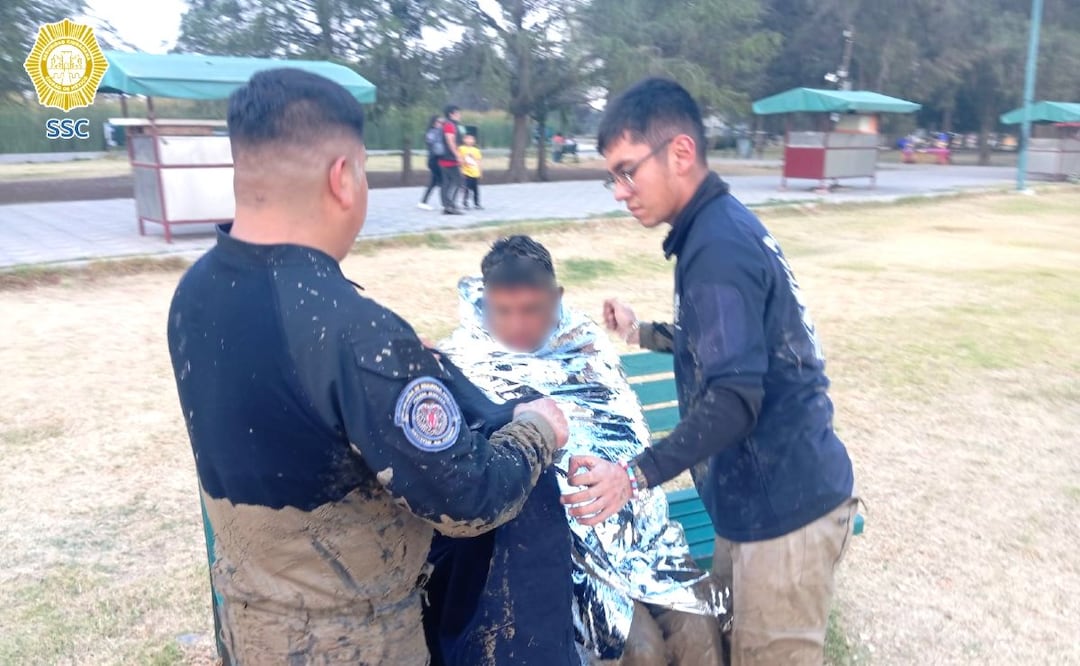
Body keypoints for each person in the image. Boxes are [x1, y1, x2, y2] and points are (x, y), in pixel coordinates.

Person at [166, 68, 569, 665]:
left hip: (247, 628)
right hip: (354, 642)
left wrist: (395, 375)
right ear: (343, 177)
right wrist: (537, 430)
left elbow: (290, 417)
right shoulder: (357, 333)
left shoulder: (195, 293)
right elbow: (468, 498)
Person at [563, 77, 857, 666]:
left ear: (680, 152)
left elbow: (734, 398)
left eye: (627, 172)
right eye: (611, 177)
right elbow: (733, 343)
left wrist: (633, 476)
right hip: (753, 503)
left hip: (786, 513)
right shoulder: (716, 229)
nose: (619, 192)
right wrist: (643, 332)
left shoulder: (718, 246)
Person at [430, 236, 726, 666]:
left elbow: (628, 438)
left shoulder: (583, 344)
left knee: (698, 627)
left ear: (557, 298)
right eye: (503, 310)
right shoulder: (461, 360)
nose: (516, 324)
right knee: (641, 649)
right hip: (550, 551)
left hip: (632, 529)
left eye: (531, 309)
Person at [439, 105, 465, 215]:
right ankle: (451, 205)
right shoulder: (450, 125)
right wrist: (457, 155)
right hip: (450, 159)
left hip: (444, 158)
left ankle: (447, 206)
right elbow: (451, 141)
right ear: (451, 114)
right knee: (458, 182)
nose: (459, 115)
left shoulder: (447, 124)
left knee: (447, 183)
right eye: (457, 113)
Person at [418, 114, 444, 210]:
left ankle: (424, 201)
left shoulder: (438, 132)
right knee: (441, 181)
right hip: (434, 160)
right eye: (439, 122)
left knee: (434, 182)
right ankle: (445, 202)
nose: (441, 124)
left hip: (436, 160)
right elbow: (436, 147)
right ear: (434, 123)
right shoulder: (432, 133)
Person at [458, 133, 483, 210]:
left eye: (472, 139)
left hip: (475, 173)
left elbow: (479, 161)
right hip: (466, 172)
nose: (470, 141)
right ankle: (465, 203)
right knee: (466, 189)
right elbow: (460, 159)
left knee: (475, 189)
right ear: (464, 140)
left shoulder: (476, 150)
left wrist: (480, 172)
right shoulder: (461, 149)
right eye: (468, 139)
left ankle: (477, 203)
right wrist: (460, 170)